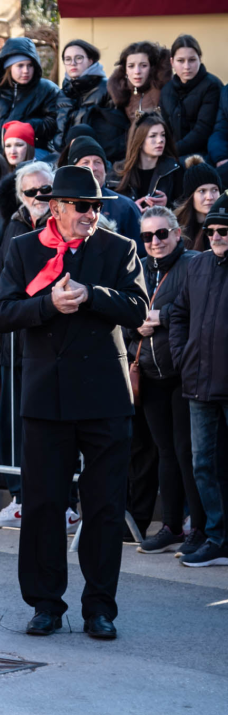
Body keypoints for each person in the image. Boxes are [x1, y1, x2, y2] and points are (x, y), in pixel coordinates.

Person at [0, 166, 149, 639]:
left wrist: (92, 296)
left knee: (103, 507)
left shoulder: (118, 248)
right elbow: (1, 313)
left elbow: (138, 308)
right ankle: (45, 603)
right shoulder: (22, 248)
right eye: (82, 206)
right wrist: (47, 307)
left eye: (97, 207)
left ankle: (99, 607)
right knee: (43, 504)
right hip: (47, 397)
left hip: (104, 396)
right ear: (56, 208)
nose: (90, 215)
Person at [0, 161, 56, 529]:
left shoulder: (62, 226)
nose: (40, 198)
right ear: (20, 197)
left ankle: (60, 502)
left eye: (46, 190)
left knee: (50, 430)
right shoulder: (13, 226)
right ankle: (19, 498)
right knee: (14, 426)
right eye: (31, 192)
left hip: (50, 348)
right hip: (14, 347)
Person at [126, 207, 201, 555]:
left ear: (176, 233)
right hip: (150, 374)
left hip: (184, 374)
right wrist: (134, 327)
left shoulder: (193, 264)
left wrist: (163, 316)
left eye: (161, 234)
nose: (154, 242)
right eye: (147, 236)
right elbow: (123, 312)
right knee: (166, 452)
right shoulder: (137, 267)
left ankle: (199, 528)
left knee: (189, 454)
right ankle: (171, 525)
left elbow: (203, 308)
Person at [168, 201, 228, 568]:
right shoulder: (199, 264)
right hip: (198, 383)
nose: (218, 237)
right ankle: (217, 537)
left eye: (225, 231)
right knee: (202, 464)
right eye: (213, 231)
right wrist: (183, 357)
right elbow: (178, 313)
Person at [0, 37, 59, 152]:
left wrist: (28, 126)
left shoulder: (47, 90)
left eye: (30, 65)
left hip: (34, 153)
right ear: (9, 67)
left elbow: (55, 121)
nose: (26, 71)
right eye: (20, 66)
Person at [69, 135, 143, 246]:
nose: (93, 167)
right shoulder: (62, 205)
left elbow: (141, 252)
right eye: (85, 162)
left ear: (105, 170)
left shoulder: (125, 207)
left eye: (98, 162)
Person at [159, 35, 222, 160]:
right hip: (173, 154)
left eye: (192, 60)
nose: (187, 67)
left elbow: (203, 131)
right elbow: (165, 128)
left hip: (203, 155)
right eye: (180, 61)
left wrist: (171, 151)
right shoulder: (167, 90)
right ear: (172, 62)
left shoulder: (212, 86)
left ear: (200, 59)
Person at [112, 113, 182, 210]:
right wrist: (133, 210)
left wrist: (167, 206)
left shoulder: (175, 170)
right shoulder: (119, 172)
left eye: (163, 135)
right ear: (139, 141)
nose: (160, 140)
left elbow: (183, 211)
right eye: (153, 136)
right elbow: (111, 212)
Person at [53, 39, 112, 153]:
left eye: (79, 58)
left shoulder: (107, 88)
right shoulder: (63, 93)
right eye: (68, 59)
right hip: (64, 154)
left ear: (90, 60)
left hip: (96, 154)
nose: (73, 63)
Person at [107, 41, 172, 127]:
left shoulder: (163, 90)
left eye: (143, 65)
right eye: (131, 66)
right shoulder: (119, 93)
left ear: (151, 68)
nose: (137, 72)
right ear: (125, 70)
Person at [174, 156, 223, 249]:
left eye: (214, 190)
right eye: (202, 191)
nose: (209, 197)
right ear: (191, 196)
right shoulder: (175, 227)